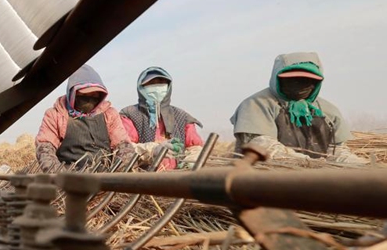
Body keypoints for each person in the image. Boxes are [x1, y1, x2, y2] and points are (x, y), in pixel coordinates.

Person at [230, 52, 366, 164]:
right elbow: (263, 147)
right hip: (266, 181)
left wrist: (363, 166)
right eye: (292, 79)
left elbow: (338, 151)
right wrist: (312, 164)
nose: (299, 85)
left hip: (319, 181)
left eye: (307, 81)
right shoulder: (257, 104)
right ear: (278, 78)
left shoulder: (328, 110)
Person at [35, 65, 132, 172]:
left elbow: (123, 145)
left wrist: (118, 172)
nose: (89, 99)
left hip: (105, 174)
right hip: (69, 175)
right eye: (85, 94)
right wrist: (61, 176)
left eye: (94, 95)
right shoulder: (55, 115)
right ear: (73, 93)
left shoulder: (109, 114)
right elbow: (45, 149)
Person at [120, 67, 204, 170]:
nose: (156, 87)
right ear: (141, 87)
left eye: (161, 83)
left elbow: (195, 147)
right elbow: (125, 148)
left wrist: (190, 161)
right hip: (143, 178)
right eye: (151, 83)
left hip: (178, 177)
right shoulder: (130, 114)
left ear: (168, 87)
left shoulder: (181, 116)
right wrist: (153, 150)